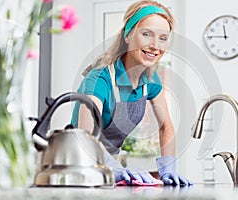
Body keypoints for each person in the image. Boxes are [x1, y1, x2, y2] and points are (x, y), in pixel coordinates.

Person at [71, 0, 191, 186]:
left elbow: (165, 126)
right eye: (146, 34)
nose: (155, 45)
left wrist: (168, 168)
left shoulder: (149, 80)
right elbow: (86, 136)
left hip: (108, 170)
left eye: (163, 38)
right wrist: (116, 170)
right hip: (76, 166)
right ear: (127, 35)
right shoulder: (100, 78)